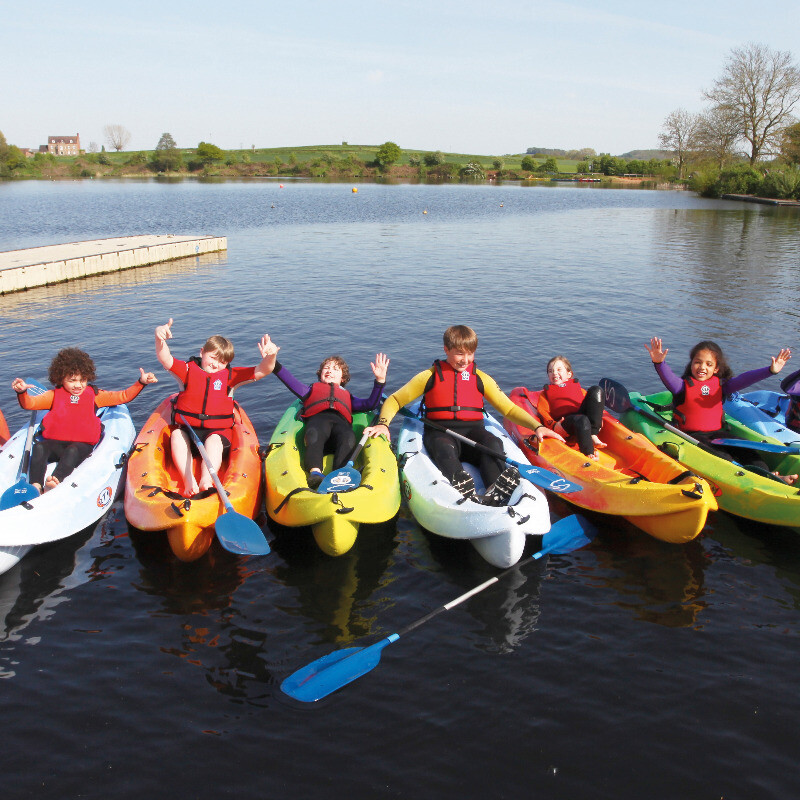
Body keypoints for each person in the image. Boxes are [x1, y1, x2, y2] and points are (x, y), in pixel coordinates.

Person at [365, 325, 564, 505]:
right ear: (446, 349)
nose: (466, 360)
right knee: (444, 449)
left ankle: (495, 490)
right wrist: (383, 424)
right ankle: (462, 485)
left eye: (470, 354)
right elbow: (395, 400)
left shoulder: (480, 377)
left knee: (493, 444)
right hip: (440, 432)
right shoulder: (430, 376)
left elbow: (509, 409)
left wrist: (537, 426)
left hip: (473, 432)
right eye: (460, 354)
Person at [645, 337, 796, 482]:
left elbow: (744, 379)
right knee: (722, 456)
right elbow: (668, 378)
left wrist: (770, 370)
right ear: (691, 364)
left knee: (746, 449)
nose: (702, 367)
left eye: (709, 364)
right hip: (692, 436)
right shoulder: (681, 386)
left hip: (718, 434)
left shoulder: (721, 386)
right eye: (698, 362)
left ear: (716, 368)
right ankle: (755, 478)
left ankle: (769, 475)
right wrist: (659, 363)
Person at [155, 318, 277, 496]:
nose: (215, 364)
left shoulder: (230, 377)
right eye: (212, 358)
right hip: (189, 431)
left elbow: (263, 370)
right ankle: (188, 479)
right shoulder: (187, 371)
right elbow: (165, 358)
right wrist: (160, 338)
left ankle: (206, 479)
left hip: (218, 435)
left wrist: (271, 356)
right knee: (176, 435)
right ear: (202, 352)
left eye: (222, 362)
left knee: (213, 441)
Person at [11, 348, 158, 493]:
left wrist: (141, 382)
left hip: (80, 447)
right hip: (55, 444)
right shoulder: (53, 395)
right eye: (72, 380)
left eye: (83, 380)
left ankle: (55, 481)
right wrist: (22, 392)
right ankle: (36, 485)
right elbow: (29, 404)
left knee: (73, 451)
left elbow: (123, 396)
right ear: (61, 379)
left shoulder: (95, 395)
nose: (78, 385)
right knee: (39, 448)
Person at [269, 346, 389, 488]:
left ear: (343, 378)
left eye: (335, 369)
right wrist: (272, 360)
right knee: (315, 431)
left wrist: (380, 381)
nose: (330, 370)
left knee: (348, 435)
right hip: (318, 426)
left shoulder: (348, 397)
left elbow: (370, 404)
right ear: (320, 373)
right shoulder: (309, 390)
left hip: (340, 427)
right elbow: (289, 379)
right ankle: (315, 473)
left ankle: (340, 475)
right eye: (326, 367)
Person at [536, 355, 605, 459]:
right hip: (565, 425)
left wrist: (598, 419)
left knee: (596, 390)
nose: (554, 373)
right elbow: (543, 412)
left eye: (559, 370)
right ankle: (589, 454)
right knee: (582, 419)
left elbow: (593, 405)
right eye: (550, 371)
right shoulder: (545, 395)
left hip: (584, 422)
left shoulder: (580, 391)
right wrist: (554, 426)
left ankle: (593, 435)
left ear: (569, 374)